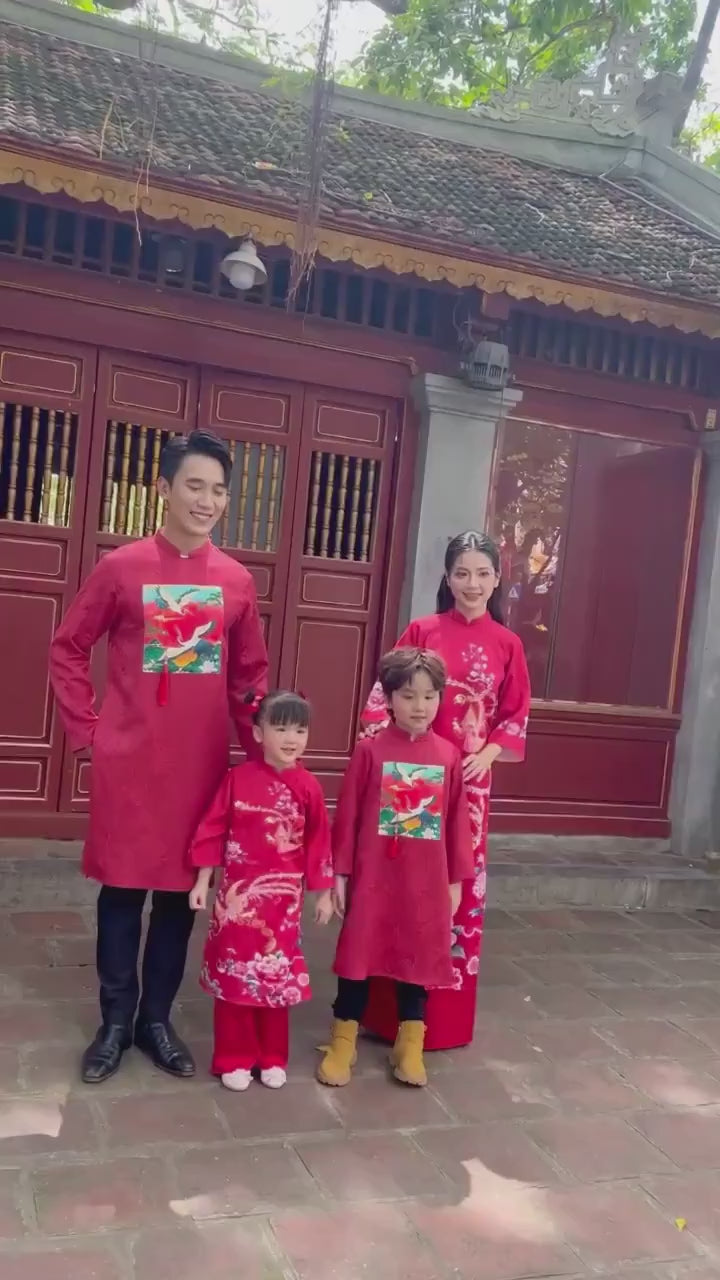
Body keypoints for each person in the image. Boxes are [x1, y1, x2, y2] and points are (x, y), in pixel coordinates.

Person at [49, 429, 268, 1085]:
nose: (207, 500)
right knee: (122, 893)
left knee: (180, 897)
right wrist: (89, 732)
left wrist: (264, 761)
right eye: (194, 485)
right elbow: (67, 647)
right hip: (131, 763)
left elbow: (248, 679)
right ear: (164, 489)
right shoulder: (122, 568)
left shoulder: (235, 581)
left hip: (200, 768)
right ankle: (114, 1021)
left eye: (219, 490)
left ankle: (156, 1021)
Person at [360, 531, 530, 1052]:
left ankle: (442, 1023)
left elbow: (515, 713)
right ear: (447, 578)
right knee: (401, 883)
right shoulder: (422, 631)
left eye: (482, 573)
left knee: (454, 891)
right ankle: (386, 1017)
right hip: (414, 779)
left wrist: (489, 753)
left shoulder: (508, 644)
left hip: (471, 786)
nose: (471, 583)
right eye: (462, 573)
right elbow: (381, 698)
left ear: (497, 580)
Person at [317, 647, 475, 1090]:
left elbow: (457, 822)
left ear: (441, 699)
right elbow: (346, 817)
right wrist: (340, 874)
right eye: (408, 696)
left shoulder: (448, 755)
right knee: (358, 957)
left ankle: (411, 1042)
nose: (419, 706)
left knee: (418, 957)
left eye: (429, 696)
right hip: (373, 876)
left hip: (425, 880)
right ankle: (342, 1039)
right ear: (388, 698)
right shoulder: (369, 752)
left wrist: (456, 879)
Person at [189, 691, 334, 1091]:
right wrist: (203, 879)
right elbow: (213, 830)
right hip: (236, 900)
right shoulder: (237, 779)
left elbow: (320, 842)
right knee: (236, 978)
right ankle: (233, 1057)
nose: (292, 738)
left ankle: (272, 1056)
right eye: (281, 727)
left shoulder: (309, 787)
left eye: (300, 729)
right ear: (258, 732)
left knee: (275, 978)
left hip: (283, 903)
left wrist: (322, 893)